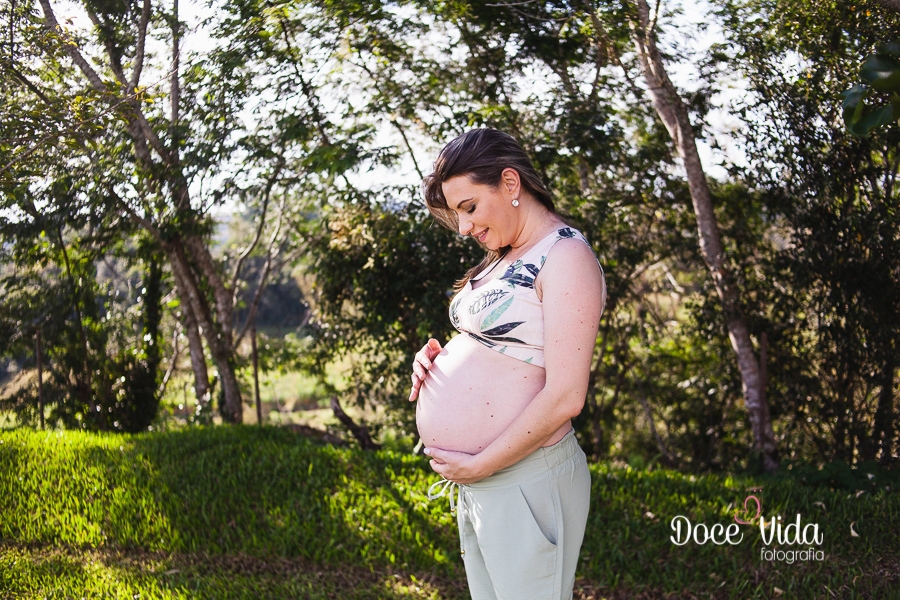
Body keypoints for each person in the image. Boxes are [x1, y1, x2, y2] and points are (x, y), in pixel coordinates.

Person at [408, 128, 606, 600]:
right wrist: (437, 360)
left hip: (525, 477)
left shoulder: (566, 256)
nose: (463, 228)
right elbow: (504, 344)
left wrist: (480, 465)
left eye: (470, 208)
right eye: (457, 214)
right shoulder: (503, 255)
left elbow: (566, 396)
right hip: (489, 481)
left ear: (511, 184)